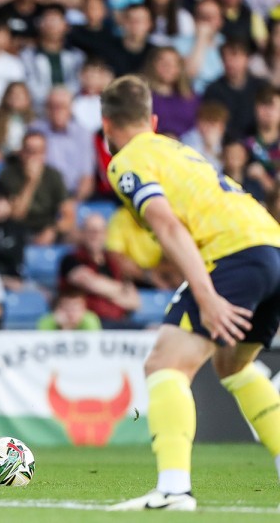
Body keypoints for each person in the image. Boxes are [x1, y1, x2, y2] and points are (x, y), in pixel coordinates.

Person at [103, 75, 280, 511]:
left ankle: (173, 490)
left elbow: (165, 224)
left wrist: (205, 294)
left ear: (106, 123)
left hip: (233, 255)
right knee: (233, 363)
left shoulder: (127, 159)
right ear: (153, 118)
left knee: (165, 363)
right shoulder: (178, 148)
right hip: (272, 248)